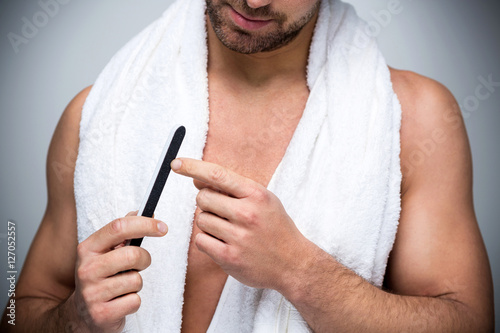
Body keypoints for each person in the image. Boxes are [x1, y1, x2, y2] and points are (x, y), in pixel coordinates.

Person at [1, 0, 494, 332]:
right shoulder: (98, 115)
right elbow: (17, 314)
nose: (254, 0)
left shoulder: (414, 118)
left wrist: (300, 272)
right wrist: (75, 318)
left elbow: (468, 321)